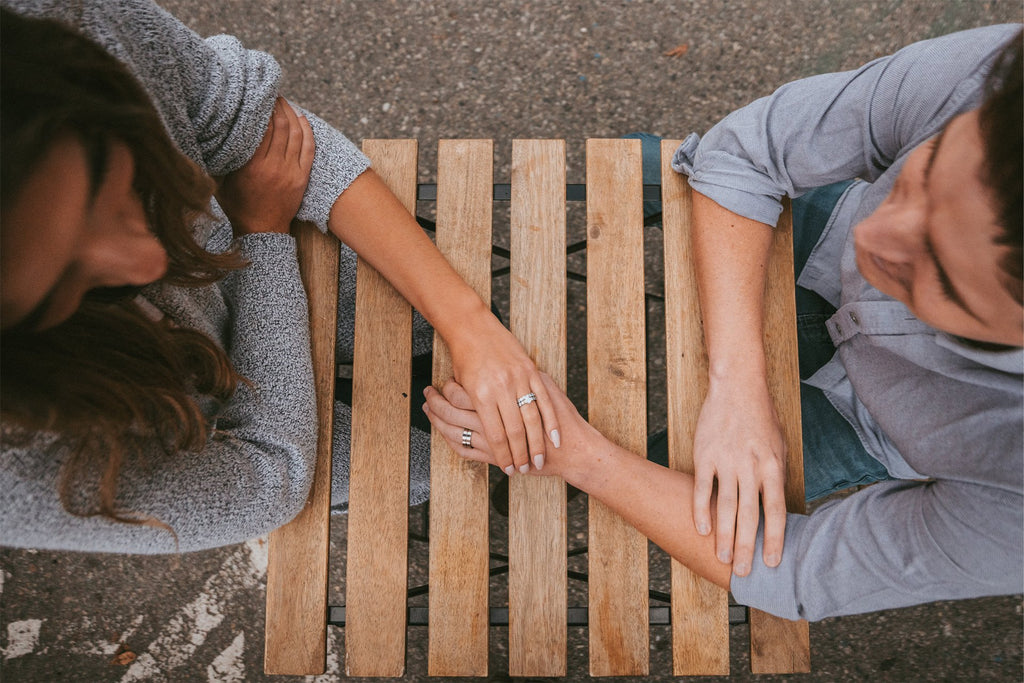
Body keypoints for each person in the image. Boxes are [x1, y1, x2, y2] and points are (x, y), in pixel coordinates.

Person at [425, 24, 1023, 620]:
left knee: (646, 489)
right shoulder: (1003, 85)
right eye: (920, 176)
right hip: (815, 234)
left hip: (867, 423)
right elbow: (747, 149)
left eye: (938, 273)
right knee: (635, 165)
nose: (872, 235)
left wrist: (575, 455)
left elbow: (795, 573)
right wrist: (737, 383)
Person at [0, 0, 559, 553]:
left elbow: (262, 131)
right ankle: (478, 469)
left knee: (439, 332)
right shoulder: (16, 467)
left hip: (288, 260)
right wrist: (263, 238)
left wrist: (469, 325)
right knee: (426, 460)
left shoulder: (62, 24)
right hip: (241, 415)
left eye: (109, 190)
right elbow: (267, 481)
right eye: (62, 284)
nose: (150, 263)